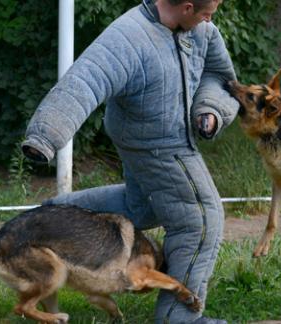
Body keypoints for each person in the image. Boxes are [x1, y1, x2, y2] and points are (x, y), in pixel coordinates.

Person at [21, 0, 239, 322]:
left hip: (174, 138)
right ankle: (179, 318)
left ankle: (49, 217)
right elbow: (84, 81)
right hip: (155, 146)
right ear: (187, 7)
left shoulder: (202, 32)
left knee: (141, 207)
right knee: (200, 220)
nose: (211, 20)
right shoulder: (129, 36)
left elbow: (218, 76)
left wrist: (210, 109)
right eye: (207, 13)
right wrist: (46, 136)